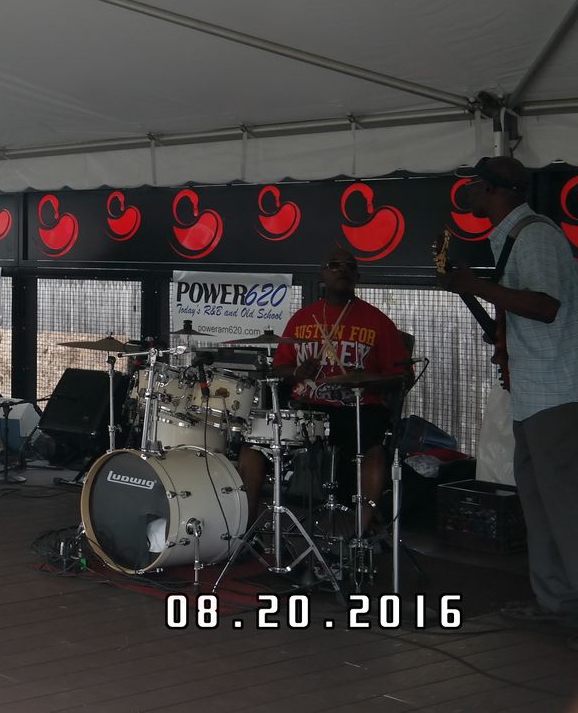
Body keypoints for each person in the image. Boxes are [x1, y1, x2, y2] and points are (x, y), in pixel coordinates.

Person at [440, 156, 578, 626]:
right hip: (532, 394)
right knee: (540, 507)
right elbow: (519, 315)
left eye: (474, 184)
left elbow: (544, 305)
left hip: (556, 394)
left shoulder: (534, 236)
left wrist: (476, 285)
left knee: (565, 508)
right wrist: (467, 290)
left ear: (493, 189)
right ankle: (558, 604)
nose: (468, 192)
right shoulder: (511, 236)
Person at [237, 245, 408, 534]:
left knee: (375, 452)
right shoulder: (302, 319)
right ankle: (246, 530)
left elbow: (401, 377)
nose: (342, 270)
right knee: (253, 447)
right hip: (307, 409)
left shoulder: (377, 322)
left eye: (349, 266)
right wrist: (297, 372)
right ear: (322, 275)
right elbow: (278, 370)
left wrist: (362, 379)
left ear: (358, 277)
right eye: (334, 265)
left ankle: (359, 533)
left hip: (357, 410)